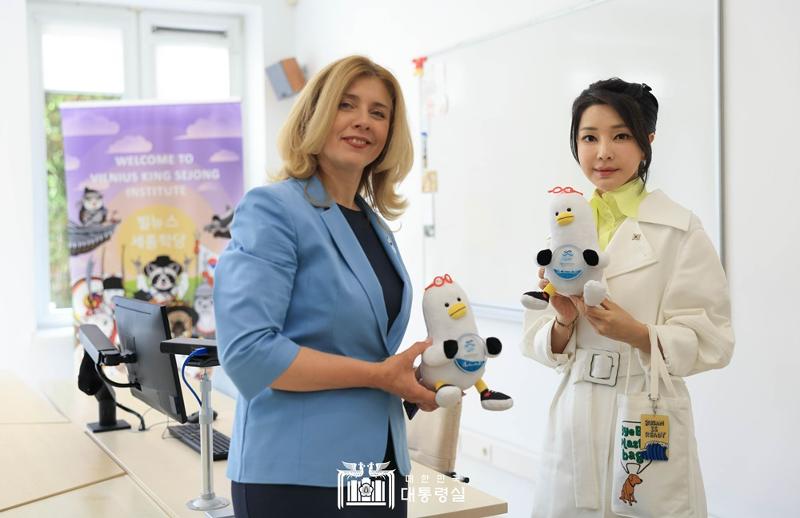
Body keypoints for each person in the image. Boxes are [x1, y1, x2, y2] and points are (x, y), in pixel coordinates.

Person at [213, 55, 437, 518]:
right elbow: (249, 353)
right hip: (295, 478)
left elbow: (362, 346)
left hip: (377, 469)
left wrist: (410, 381)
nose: (363, 122)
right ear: (315, 114)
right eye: (347, 105)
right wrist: (379, 376)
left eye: (379, 113)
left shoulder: (373, 224)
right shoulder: (273, 210)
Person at [521, 78, 734, 517]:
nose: (603, 152)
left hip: (646, 404)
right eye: (589, 137)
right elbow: (538, 340)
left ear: (646, 142)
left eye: (621, 135)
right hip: (576, 409)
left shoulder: (680, 230)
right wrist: (561, 323)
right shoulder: (561, 231)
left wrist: (638, 334)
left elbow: (713, 340)